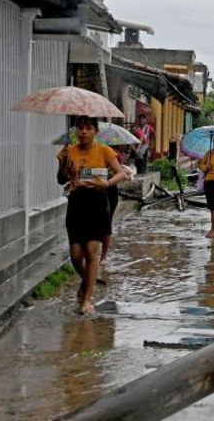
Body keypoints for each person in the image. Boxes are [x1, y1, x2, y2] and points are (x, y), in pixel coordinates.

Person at [57, 116, 128, 315]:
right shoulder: (68, 152)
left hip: (97, 203)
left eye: (88, 128)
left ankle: (86, 300)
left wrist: (106, 183)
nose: (84, 132)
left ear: (95, 131)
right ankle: (88, 281)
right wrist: (64, 166)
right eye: (80, 128)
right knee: (75, 255)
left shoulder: (104, 150)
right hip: (76, 203)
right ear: (76, 131)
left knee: (91, 253)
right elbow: (60, 179)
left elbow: (121, 173)